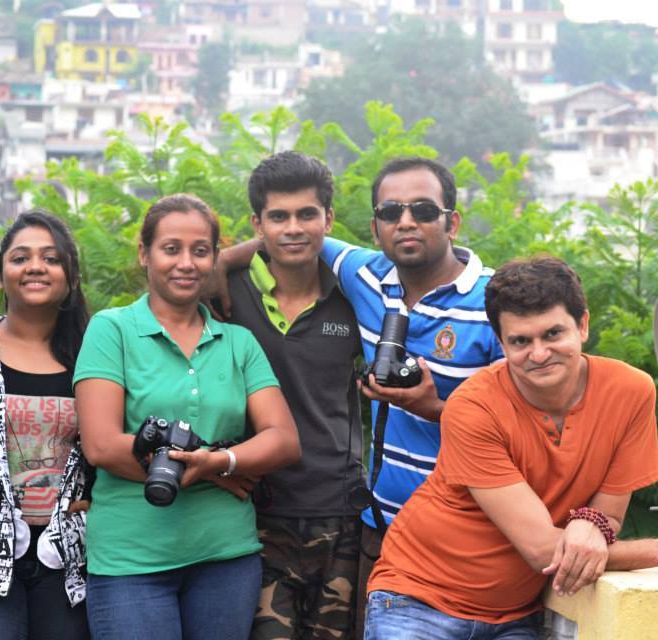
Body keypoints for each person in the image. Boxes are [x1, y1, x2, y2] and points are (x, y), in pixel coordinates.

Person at [215, 156, 504, 632]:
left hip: (471, 536)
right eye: (391, 212)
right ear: (375, 228)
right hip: (379, 528)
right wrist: (215, 263)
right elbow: (293, 235)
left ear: (452, 220)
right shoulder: (367, 277)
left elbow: (529, 426)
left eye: (423, 211)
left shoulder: (494, 302)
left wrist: (435, 408)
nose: (406, 222)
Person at [365, 256, 658, 639]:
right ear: (501, 343)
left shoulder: (630, 392)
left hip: (514, 614)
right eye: (520, 341)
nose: (538, 354)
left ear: (582, 325)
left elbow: (607, 519)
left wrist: (589, 523)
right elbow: (543, 551)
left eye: (552, 334)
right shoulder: (473, 407)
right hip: (418, 598)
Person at [74, 193, 301, 640]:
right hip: (130, 561)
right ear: (145, 253)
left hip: (225, 558)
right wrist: (215, 471)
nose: (186, 263)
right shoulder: (112, 329)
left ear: (215, 258)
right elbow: (101, 444)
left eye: (200, 251)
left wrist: (218, 462)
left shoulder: (238, 342)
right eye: (171, 248)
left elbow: (283, 439)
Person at [224, 151, 364, 639]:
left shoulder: (355, 295)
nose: (293, 229)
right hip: (253, 511)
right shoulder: (226, 292)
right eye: (278, 217)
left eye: (307, 214)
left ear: (329, 217)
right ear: (256, 223)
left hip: (341, 512)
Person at [0, 211, 92, 640]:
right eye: (20, 258)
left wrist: (99, 496)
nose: (35, 266)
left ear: (70, 277)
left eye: (50, 258)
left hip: (69, 553)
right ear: (1, 277)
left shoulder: (95, 351)